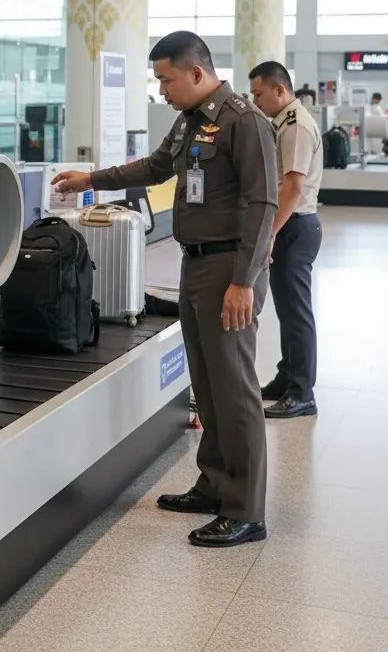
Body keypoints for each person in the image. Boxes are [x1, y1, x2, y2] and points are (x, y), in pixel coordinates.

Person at [53, 31, 277, 548]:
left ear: (196, 72)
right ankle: (214, 484)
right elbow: (156, 167)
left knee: (234, 389)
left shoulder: (245, 122)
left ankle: (245, 510)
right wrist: (92, 179)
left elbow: (264, 203)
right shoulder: (192, 120)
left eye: (166, 79)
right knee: (208, 382)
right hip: (196, 265)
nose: (162, 90)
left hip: (229, 269)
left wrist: (243, 281)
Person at [249, 62, 324, 419]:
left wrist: (270, 233)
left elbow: (293, 187)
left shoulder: (295, 125)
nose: (255, 101)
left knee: (296, 313)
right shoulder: (283, 121)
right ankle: (287, 377)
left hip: (294, 226)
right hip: (290, 225)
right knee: (287, 310)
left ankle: (302, 392)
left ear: (279, 90)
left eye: (259, 94)